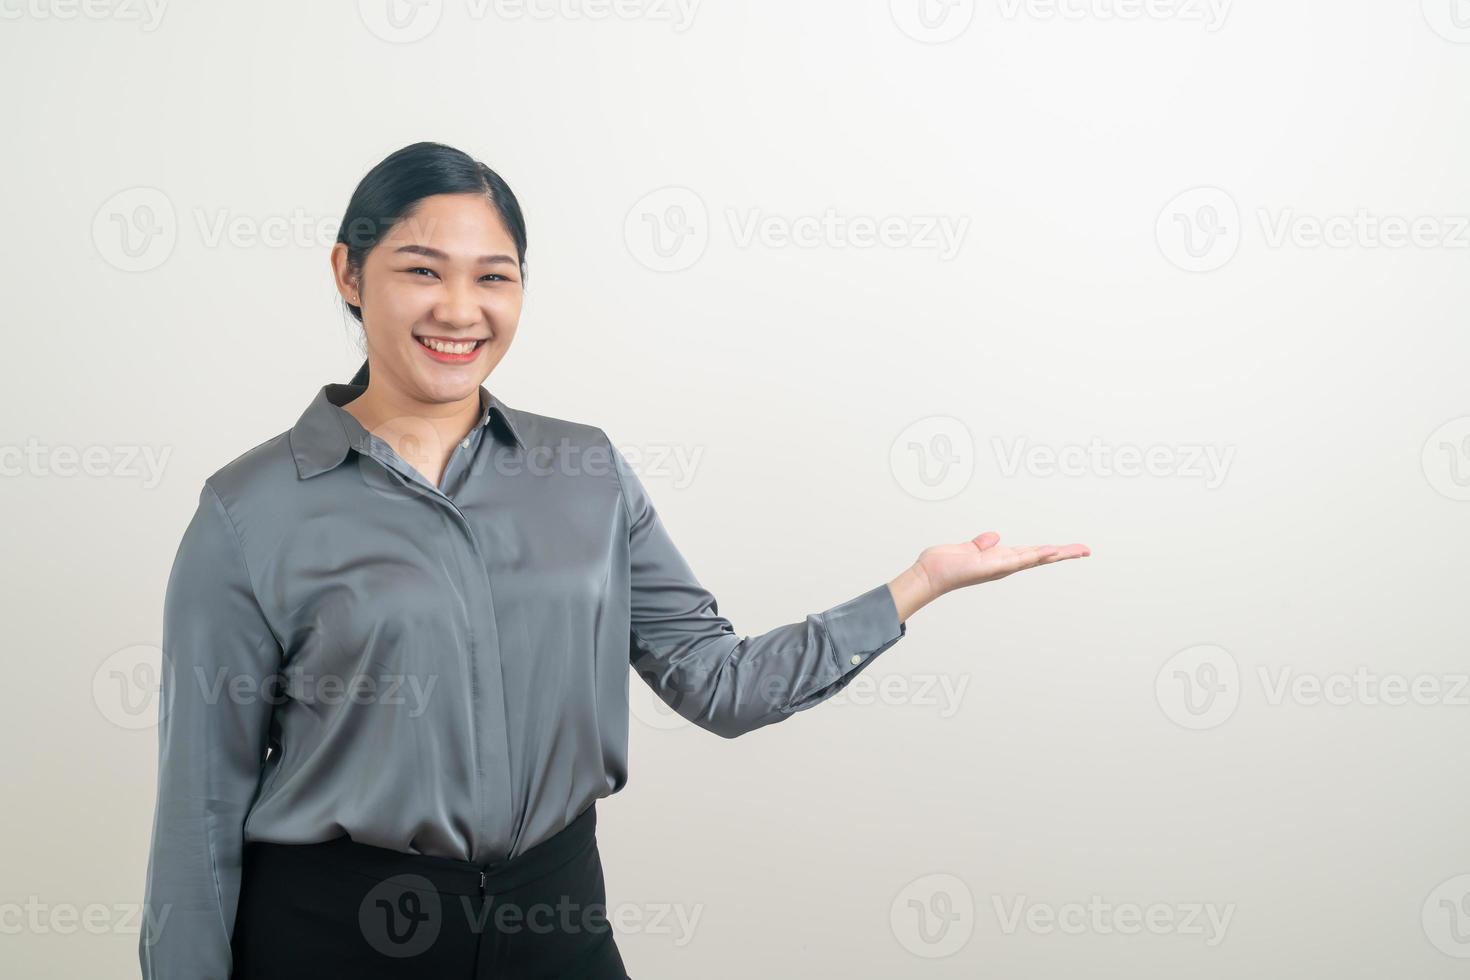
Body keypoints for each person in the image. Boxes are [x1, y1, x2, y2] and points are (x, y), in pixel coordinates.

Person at [137, 141, 1090, 980]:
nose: (460, 310)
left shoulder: (584, 472)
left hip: (553, 922)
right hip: (334, 935)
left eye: (495, 277)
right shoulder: (249, 509)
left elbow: (714, 681)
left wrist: (915, 587)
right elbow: (199, 810)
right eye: (422, 271)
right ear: (350, 273)